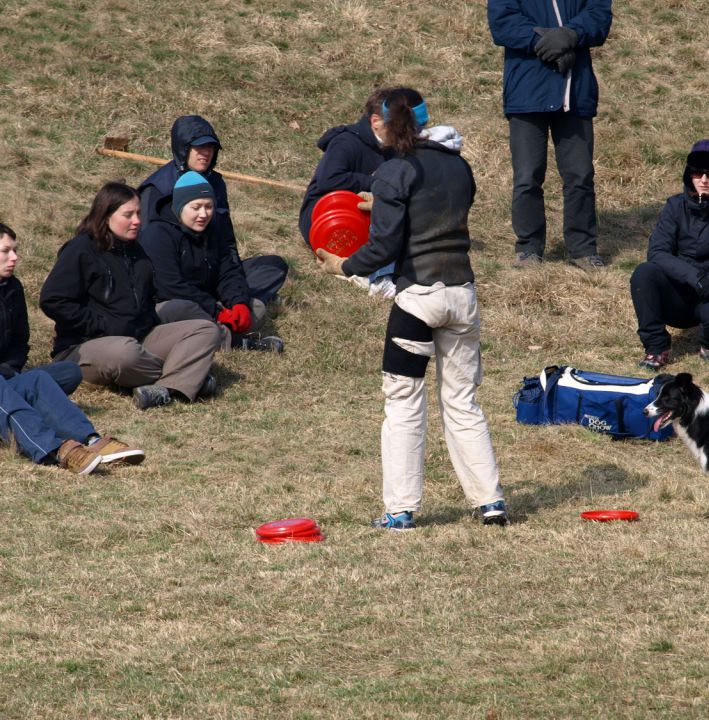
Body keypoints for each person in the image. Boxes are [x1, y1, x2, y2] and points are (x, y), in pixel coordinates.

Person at [314, 87, 508, 531]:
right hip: (463, 296)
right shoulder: (460, 166)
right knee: (463, 401)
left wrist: (345, 265)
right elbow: (435, 210)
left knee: (403, 402)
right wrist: (383, 203)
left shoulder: (393, 170)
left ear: (384, 122)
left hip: (418, 300)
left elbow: (384, 243)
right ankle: (491, 502)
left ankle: (400, 509)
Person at [39, 182, 222, 410]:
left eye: (138, 213)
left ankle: (167, 387)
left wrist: (147, 322)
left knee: (206, 329)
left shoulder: (137, 251)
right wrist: (101, 325)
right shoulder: (81, 249)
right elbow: (52, 300)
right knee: (125, 353)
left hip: (138, 338)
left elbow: (149, 300)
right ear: (106, 215)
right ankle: (189, 376)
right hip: (86, 345)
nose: (137, 220)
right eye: (128, 214)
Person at [0, 223, 144, 472]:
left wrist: (9, 370)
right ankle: (55, 449)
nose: (14, 257)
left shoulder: (12, 288)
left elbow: (20, 342)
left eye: (15, 250)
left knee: (40, 380)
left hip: (6, 375)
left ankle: (91, 440)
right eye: (5, 251)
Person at [299, 88, 465, 299]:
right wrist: (376, 182)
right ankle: (375, 277)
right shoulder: (346, 142)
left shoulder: (394, 145)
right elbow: (328, 179)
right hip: (328, 216)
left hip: (366, 211)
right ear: (376, 121)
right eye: (398, 127)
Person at [488, 0, 612, 270]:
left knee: (580, 176)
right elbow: (503, 22)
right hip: (526, 91)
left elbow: (599, 15)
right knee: (527, 176)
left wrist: (570, 35)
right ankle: (529, 247)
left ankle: (582, 249)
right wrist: (544, 44)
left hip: (575, 93)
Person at [629, 140, 709, 369]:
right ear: (688, 175)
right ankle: (656, 347)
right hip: (679, 291)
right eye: (697, 173)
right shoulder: (675, 206)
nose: (703, 180)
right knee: (644, 274)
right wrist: (694, 277)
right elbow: (657, 252)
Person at [138, 115, 288, 305]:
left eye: (210, 148)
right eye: (199, 147)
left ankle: (234, 300)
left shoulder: (216, 183)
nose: (205, 153)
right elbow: (148, 251)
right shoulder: (157, 188)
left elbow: (227, 241)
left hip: (211, 269)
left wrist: (235, 287)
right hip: (177, 278)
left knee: (273, 267)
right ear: (183, 149)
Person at [139, 172, 284, 353]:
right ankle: (237, 342)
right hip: (167, 305)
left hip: (206, 302)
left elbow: (228, 270)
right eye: (196, 207)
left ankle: (216, 334)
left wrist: (238, 302)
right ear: (179, 206)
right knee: (183, 308)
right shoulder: (157, 234)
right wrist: (216, 312)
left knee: (257, 308)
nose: (203, 214)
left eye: (209, 206)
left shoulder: (212, 229)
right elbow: (169, 286)